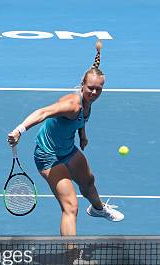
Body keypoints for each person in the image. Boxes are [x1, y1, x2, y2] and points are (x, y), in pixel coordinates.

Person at [7, 40, 123, 236]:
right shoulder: (72, 104)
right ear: (82, 85)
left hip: (67, 149)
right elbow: (43, 112)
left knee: (88, 181)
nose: (94, 92)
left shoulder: (88, 102)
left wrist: (83, 135)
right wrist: (20, 130)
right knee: (71, 207)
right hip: (48, 156)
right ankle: (71, 260)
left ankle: (97, 209)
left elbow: (80, 120)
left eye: (98, 89)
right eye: (90, 88)